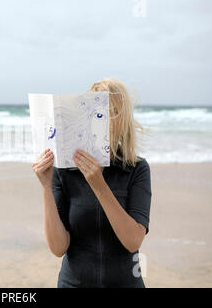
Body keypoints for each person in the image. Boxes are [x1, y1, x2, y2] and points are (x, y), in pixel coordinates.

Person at [32, 78, 152, 287]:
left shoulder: (136, 169)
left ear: (122, 120)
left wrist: (99, 185)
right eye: (97, 112)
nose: (103, 121)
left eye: (111, 113)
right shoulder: (65, 170)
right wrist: (45, 187)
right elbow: (58, 248)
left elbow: (132, 241)